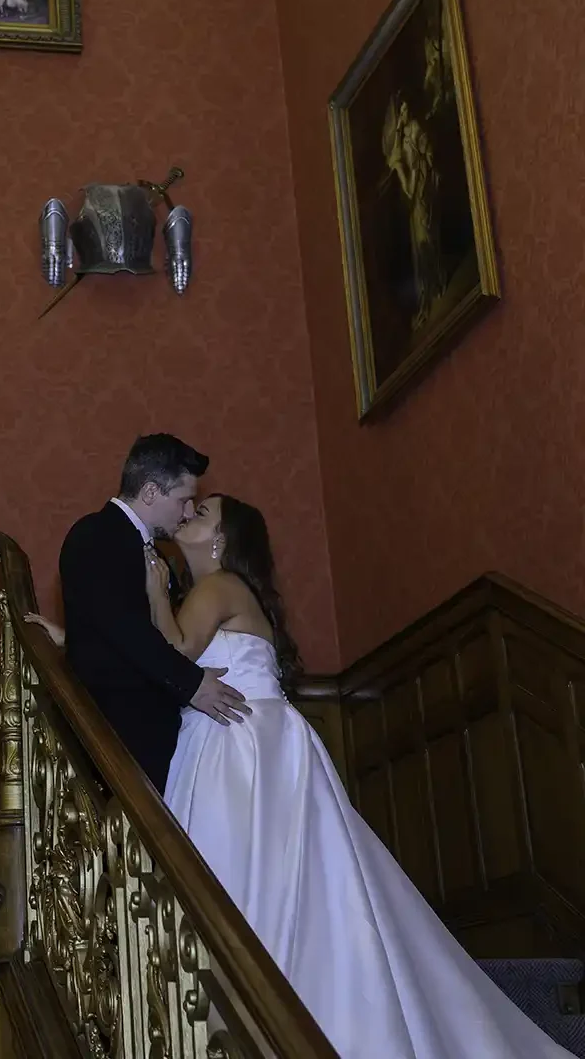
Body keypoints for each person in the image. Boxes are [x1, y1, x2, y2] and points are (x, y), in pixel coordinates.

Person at [143, 493, 570, 1057]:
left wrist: (150, 582)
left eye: (204, 513)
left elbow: (170, 650)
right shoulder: (211, 593)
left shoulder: (216, 587)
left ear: (222, 541)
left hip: (242, 750)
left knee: (248, 888)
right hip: (241, 743)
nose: (191, 512)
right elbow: (151, 659)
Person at [31, 435, 249, 793]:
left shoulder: (158, 559)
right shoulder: (96, 535)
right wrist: (190, 683)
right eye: (183, 500)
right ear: (150, 492)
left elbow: (122, 630)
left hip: (157, 735)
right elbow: (125, 630)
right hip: (121, 733)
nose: (189, 511)